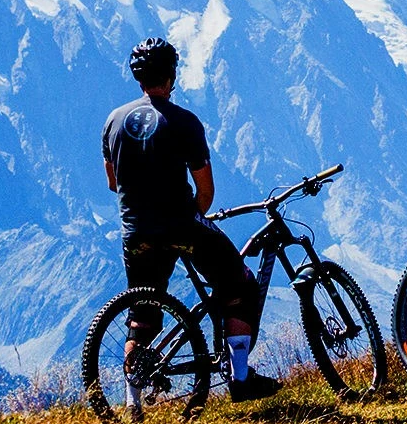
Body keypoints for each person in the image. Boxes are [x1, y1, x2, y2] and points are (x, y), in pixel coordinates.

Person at [104, 37, 279, 403]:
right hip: (181, 225)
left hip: (136, 231)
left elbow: (113, 183)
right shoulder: (184, 122)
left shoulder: (113, 121)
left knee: (142, 314)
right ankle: (240, 379)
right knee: (240, 286)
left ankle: (133, 403)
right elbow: (205, 190)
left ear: (137, 77)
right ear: (171, 75)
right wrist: (194, 220)